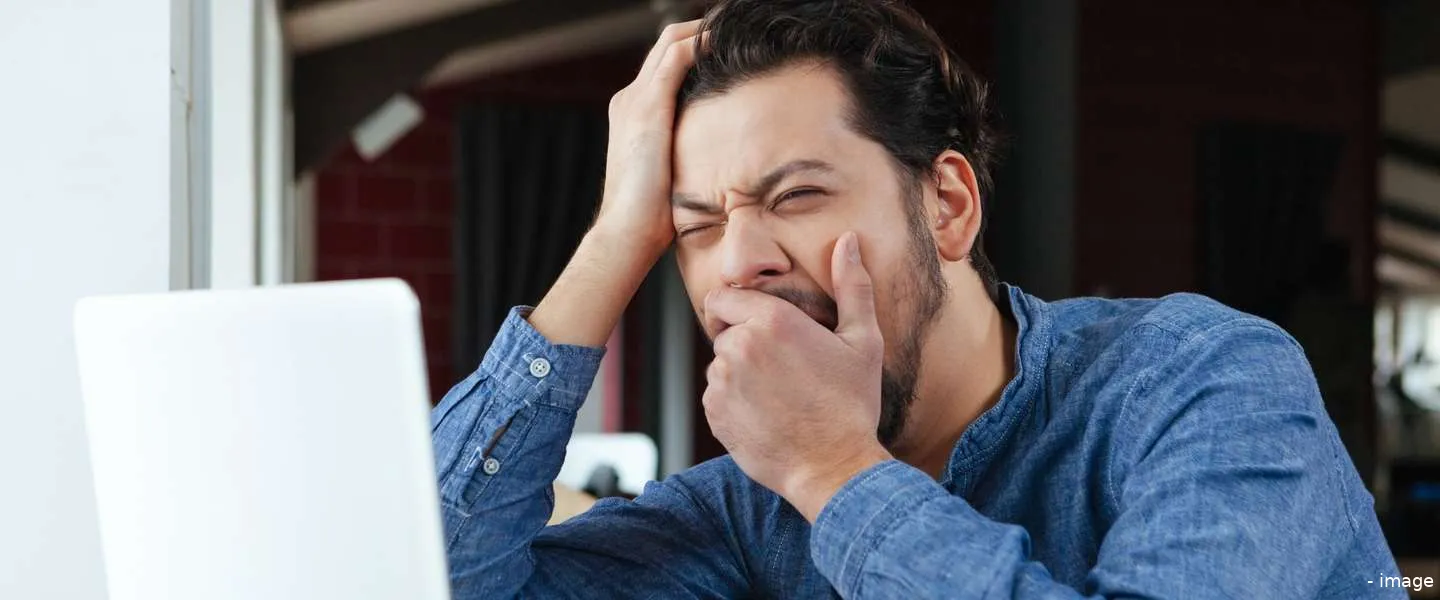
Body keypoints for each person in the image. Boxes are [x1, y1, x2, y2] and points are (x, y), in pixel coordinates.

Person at [429, 1, 1401, 597]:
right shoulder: (742, 511)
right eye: (692, 227)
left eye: (795, 196)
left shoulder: (1205, 377)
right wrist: (610, 241)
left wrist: (837, 476)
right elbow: (423, 582)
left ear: (947, 206)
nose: (739, 263)